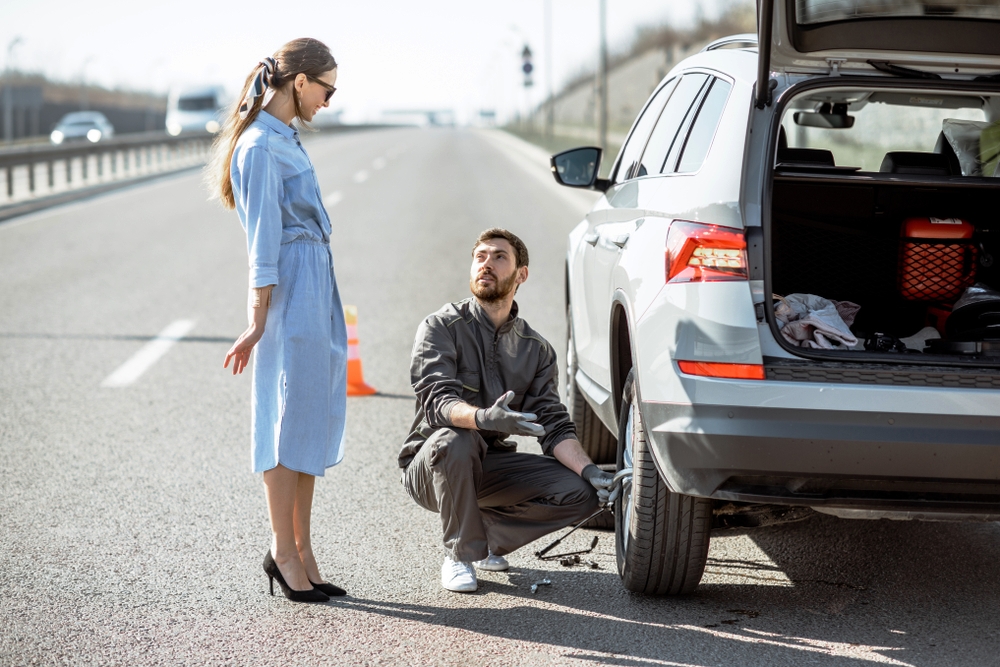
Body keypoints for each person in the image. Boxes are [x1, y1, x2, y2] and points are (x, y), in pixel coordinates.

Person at [399, 228, 617, 592]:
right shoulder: (441, 326)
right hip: (433, 465)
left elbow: (554, 424)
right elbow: (437, 403)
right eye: (480, 256)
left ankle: (483, 539)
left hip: (490, 466)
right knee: (457, 440)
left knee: (583, 492)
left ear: (521, 275)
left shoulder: (536, 349)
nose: (487, 263)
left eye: (499, 257)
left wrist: (591, 469)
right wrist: (483, 418)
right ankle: (460, 554)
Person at [211, 38, 347, 603]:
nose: (330, 101)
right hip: (290, 286)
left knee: (310, 419)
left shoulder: (286, 138)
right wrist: (256, 319)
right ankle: (281, 552)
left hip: (315, 281)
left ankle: (303, 549)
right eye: (327, 88)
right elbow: (262, 243)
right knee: (284, 418)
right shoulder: (260, 147)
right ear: (298, 82)